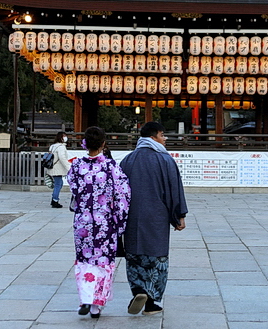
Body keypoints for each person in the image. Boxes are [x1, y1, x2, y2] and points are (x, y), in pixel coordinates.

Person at [119, 121, 188, 316]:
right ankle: (151, 301)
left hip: (132, 218)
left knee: (134, 257)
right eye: (163, 135)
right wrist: (178, 216)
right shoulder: (164, 160)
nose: (165, 139)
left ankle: (138, 291)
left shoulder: (128, 160)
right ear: (154, 136)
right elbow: (174, 191)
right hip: (157, 218)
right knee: (157, 259)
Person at [66, 126, 130, 319]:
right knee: (103, 261)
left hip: (83, 221)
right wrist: (120, 222)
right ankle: (96, 305)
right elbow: (123, 195)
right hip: (105, 222)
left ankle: (85, 299)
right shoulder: (111, 167)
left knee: (85, 260)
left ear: (85, 143)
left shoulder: (77, 166)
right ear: (104, 143)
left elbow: (74, 191)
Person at [45, 132, 71, 208]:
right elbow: (62, 158)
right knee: (58, 184)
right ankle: (55, 200)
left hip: (53, 167)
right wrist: (69, 168)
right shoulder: (61, 147)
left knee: (58, 184)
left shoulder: (52, 146)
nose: (66, 137)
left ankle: (54, 198)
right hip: (58, 168)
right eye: (64, 136)